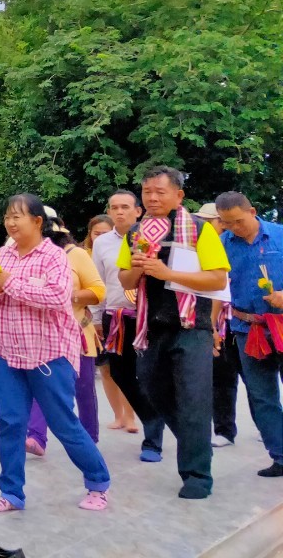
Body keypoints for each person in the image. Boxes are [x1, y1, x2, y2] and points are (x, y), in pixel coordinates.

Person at [0, 194, 110, 514]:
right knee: (10, 423)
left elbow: (56, 297)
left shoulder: (54, 257)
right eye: (7, 217)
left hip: (48, 354)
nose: (10, 223)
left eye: (17, 216)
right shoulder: (2, 255)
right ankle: (11, 493)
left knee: (63, 423)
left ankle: (98, 482)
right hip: (6, 352)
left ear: (37, 221)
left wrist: (9, 283)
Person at [118, 166, 230, 500]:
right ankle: (196, 443)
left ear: (178, 195)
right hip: (151, 327)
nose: (152, 197)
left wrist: (168, 273)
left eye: (160, 191)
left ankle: (197, 475)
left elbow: (217, 279)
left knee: (194, 398)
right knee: (152, 390)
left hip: (192, 325)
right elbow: (124, 279)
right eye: (147, 191)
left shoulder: (198, 229)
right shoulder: (135, 233)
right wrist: (138, 267)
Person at [213, 192, 283, 477]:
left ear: (253, 211)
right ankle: (280, 456)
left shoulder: (279, 236)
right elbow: (217, 287)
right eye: (226, 223)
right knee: (262, 396)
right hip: (247, 329)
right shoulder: (223, 243)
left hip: (281, 322)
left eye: (238, 221)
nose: (234, 228)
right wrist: (213, 327)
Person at [95, 189, 166, 459]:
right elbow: (99, 280)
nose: (119, 212)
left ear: (138, 211)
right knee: (120, 373)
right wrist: (96, 317)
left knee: (149, 374)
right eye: (114, 207)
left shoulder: (155, 236)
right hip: (115, 317)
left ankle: (153, 438)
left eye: (125, 207)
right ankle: (151, 416)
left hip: (149, 317)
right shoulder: (102, 243)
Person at [25, 218, 106, 455]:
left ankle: (89, 438)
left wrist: (67, 295)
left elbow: (98, 291)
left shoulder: (76, 255)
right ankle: (36, 437)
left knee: (83, 387)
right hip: (42, 333)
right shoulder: (29, 256)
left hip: (77, 331)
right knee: (42, 384)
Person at [194, 201, 240, 449]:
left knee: (255, 379)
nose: (202, 225)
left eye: (207, 221)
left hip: (240, 319)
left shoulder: (235, 244)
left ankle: (268, 427)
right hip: (216, 320)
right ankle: (224, 429)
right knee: (221, 377)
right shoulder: (201, 246)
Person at [84, 214, 135, 433]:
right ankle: (118, 415)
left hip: (129, 313)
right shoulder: (84, 255)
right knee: (106, 368)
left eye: (104, 233)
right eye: (96, 233)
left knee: (127, 368)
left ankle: (131, 416)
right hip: (101, 315)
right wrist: (96, 318)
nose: (100, 237)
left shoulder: (135, 241)